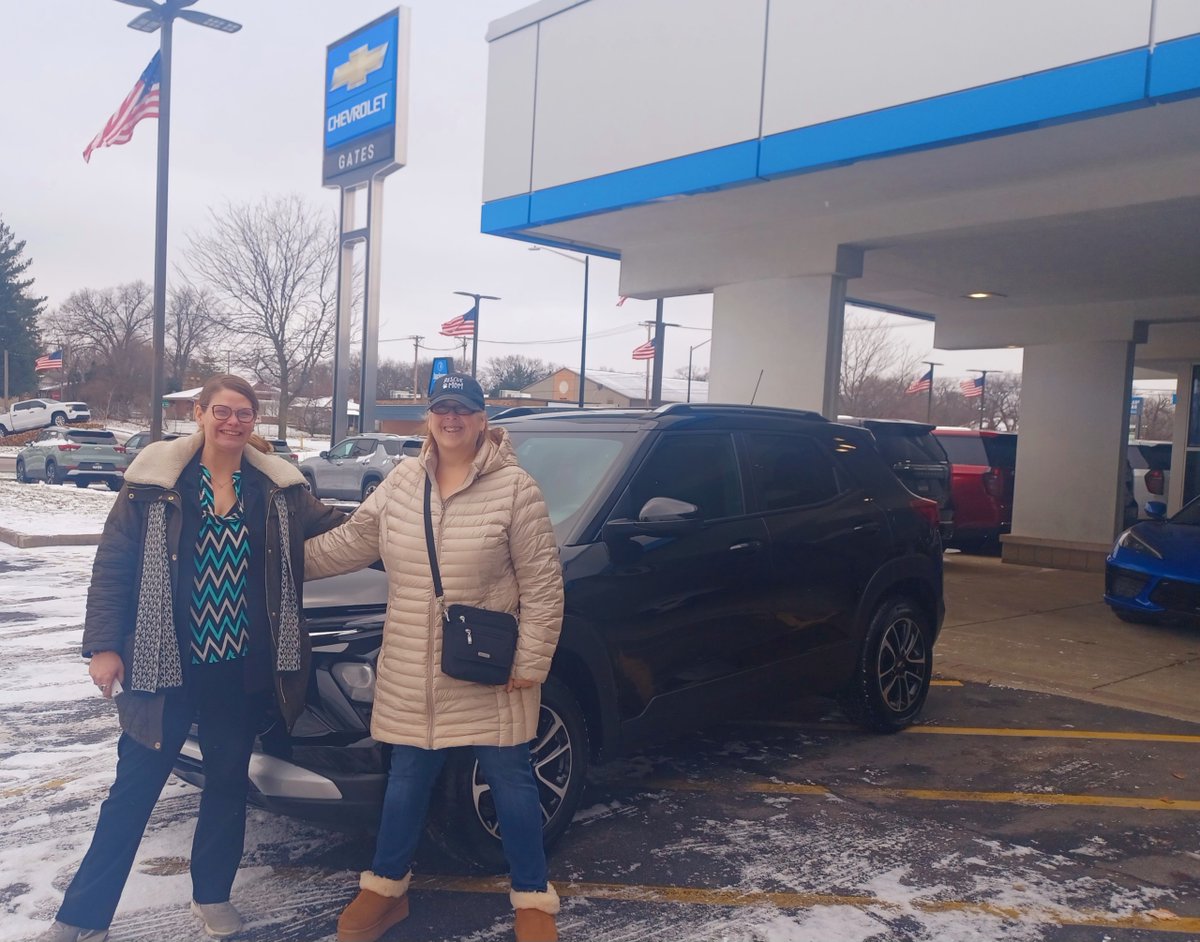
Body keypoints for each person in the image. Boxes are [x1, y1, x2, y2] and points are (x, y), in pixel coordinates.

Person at [40, 375, 347, 942]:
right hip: (164, 665)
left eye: (245, 414)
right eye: (222, 412)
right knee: (132, 791)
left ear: (256, 421)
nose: (233, 422)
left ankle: (212, 896)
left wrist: (405, 505)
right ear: (201, 414)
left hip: (241, 668)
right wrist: (105, 646)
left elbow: (337, 526)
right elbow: (114, 565)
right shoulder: (154, 484)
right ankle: (81, 917)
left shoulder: (277, 489)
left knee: (228, 783)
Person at [304, 373, 564, 942]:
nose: (452, 420)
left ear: (482, 418)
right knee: (406, 782)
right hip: (411, 668)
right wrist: (277, 560)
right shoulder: (402, 481)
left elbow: (543, 587)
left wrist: (531, 661)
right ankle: (386, 891)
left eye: (464, 410)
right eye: (442, 409)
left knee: (512, 785)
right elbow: (351, 542)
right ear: (429, 416)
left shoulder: (516, 489)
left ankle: (532, 903)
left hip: (488, 667)